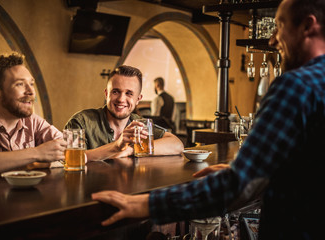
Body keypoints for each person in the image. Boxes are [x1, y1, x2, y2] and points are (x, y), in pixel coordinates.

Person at [92, 0, 325, 238]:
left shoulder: (296, 86)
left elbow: (236, 186)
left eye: (280, 26)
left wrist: (143, 205)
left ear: (308, 26)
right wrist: (256, 176)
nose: (273, 39)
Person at [0, 52, 66, 178]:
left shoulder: (33, 121)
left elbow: (69, 151)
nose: (31, 92)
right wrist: (37, 153)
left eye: (31, 83)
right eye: (20, 84)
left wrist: (33, 163)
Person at [64, 65, 184, 161]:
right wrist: (117, 146)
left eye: (129, 93)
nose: (121, 99)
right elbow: (69, 159)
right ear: (106, 94)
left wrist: (131, 150)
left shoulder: (139, 123)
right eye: (116, 91)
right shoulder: (80, 121)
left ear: (138, 99)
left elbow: (177, 145)